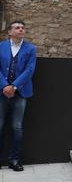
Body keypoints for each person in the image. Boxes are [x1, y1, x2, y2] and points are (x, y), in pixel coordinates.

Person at [0, 21, 37, 172]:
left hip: (21, 92)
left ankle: (14, 159)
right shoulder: (0, 46)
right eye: (17, 28)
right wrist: (4, 86)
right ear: (10, 32)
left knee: (17, 127)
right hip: (1, 92)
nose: (21, 30)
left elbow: (30, 70)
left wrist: (14, 86)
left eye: (22, 28)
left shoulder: (31, 48)